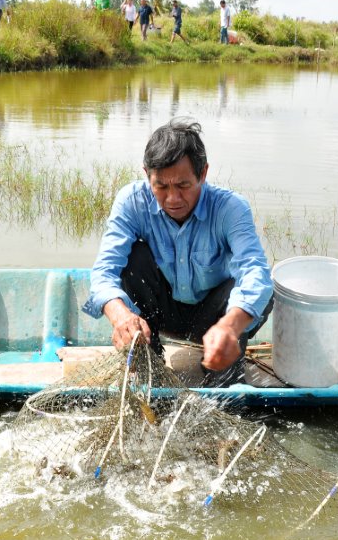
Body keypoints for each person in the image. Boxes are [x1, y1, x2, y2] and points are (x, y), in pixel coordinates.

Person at [83, 119, 273, 386]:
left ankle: (222, 369)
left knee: (251, 291)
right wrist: (121, 316)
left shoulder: (231, 208)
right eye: (161, 186)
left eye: (183, 186)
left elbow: (256, 272)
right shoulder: (131, 201)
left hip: (213, 317)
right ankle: (150, 358)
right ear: (146, 174)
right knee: (133, 258)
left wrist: (230, 326)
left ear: (203, 174)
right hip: (160, 315)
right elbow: (104, 271)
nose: (173, 199)